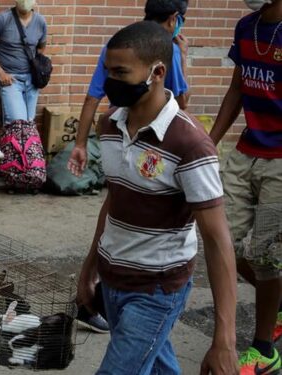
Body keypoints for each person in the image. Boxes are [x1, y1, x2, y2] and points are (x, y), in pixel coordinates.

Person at [77, 21, 238, 375]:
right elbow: (114, 201)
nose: (110, 83)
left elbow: (217, 237)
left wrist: (224, 338)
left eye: (120, 72)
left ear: (158, 72)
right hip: (113, 279)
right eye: (107, 72)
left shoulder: (190, 145)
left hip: (156, 290)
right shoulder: (109, 127)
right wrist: (89, 267)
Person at [209, 0, 282, 373]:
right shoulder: (246, 27)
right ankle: (278, 299)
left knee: (267, 253)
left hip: (280, 165)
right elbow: (237, 88)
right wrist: (210, 143)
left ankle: (265, 349)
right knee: (224, 244)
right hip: (245, 153)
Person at [68, 0, 190, 178]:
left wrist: (80, 145)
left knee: (120, 185)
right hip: (154, 138)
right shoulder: (171, 51)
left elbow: (91, 99)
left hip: (118, 131)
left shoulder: (118, 46)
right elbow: (183, 101)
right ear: (174, 19)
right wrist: (184, 57)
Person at [0, 0, 47, 124]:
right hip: (10, 79)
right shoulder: (2, 19)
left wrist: (38, 70)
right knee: (17, 123)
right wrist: (0, 72)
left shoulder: (40, 21)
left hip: (32, 81)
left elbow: (41, 48)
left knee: (29, 122)